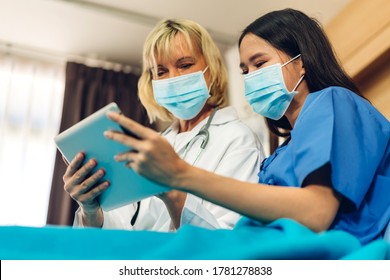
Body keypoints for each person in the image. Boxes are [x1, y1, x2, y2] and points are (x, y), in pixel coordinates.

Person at [104, 8, 389, 245]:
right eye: (244, 70)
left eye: (259, 63)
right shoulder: (284, 151)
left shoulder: (332, 102)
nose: (250, 77)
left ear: (301, 62)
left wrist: (180, 176)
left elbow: (317, 213)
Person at [64, 18, 264, 231]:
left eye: (185, 65)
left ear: (211, 69)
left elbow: (228, 241)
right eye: (160, 71)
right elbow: (120, 230)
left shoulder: (237, 139)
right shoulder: (153, 145)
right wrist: (92, 210)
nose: (173, 78)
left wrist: (171, 188)